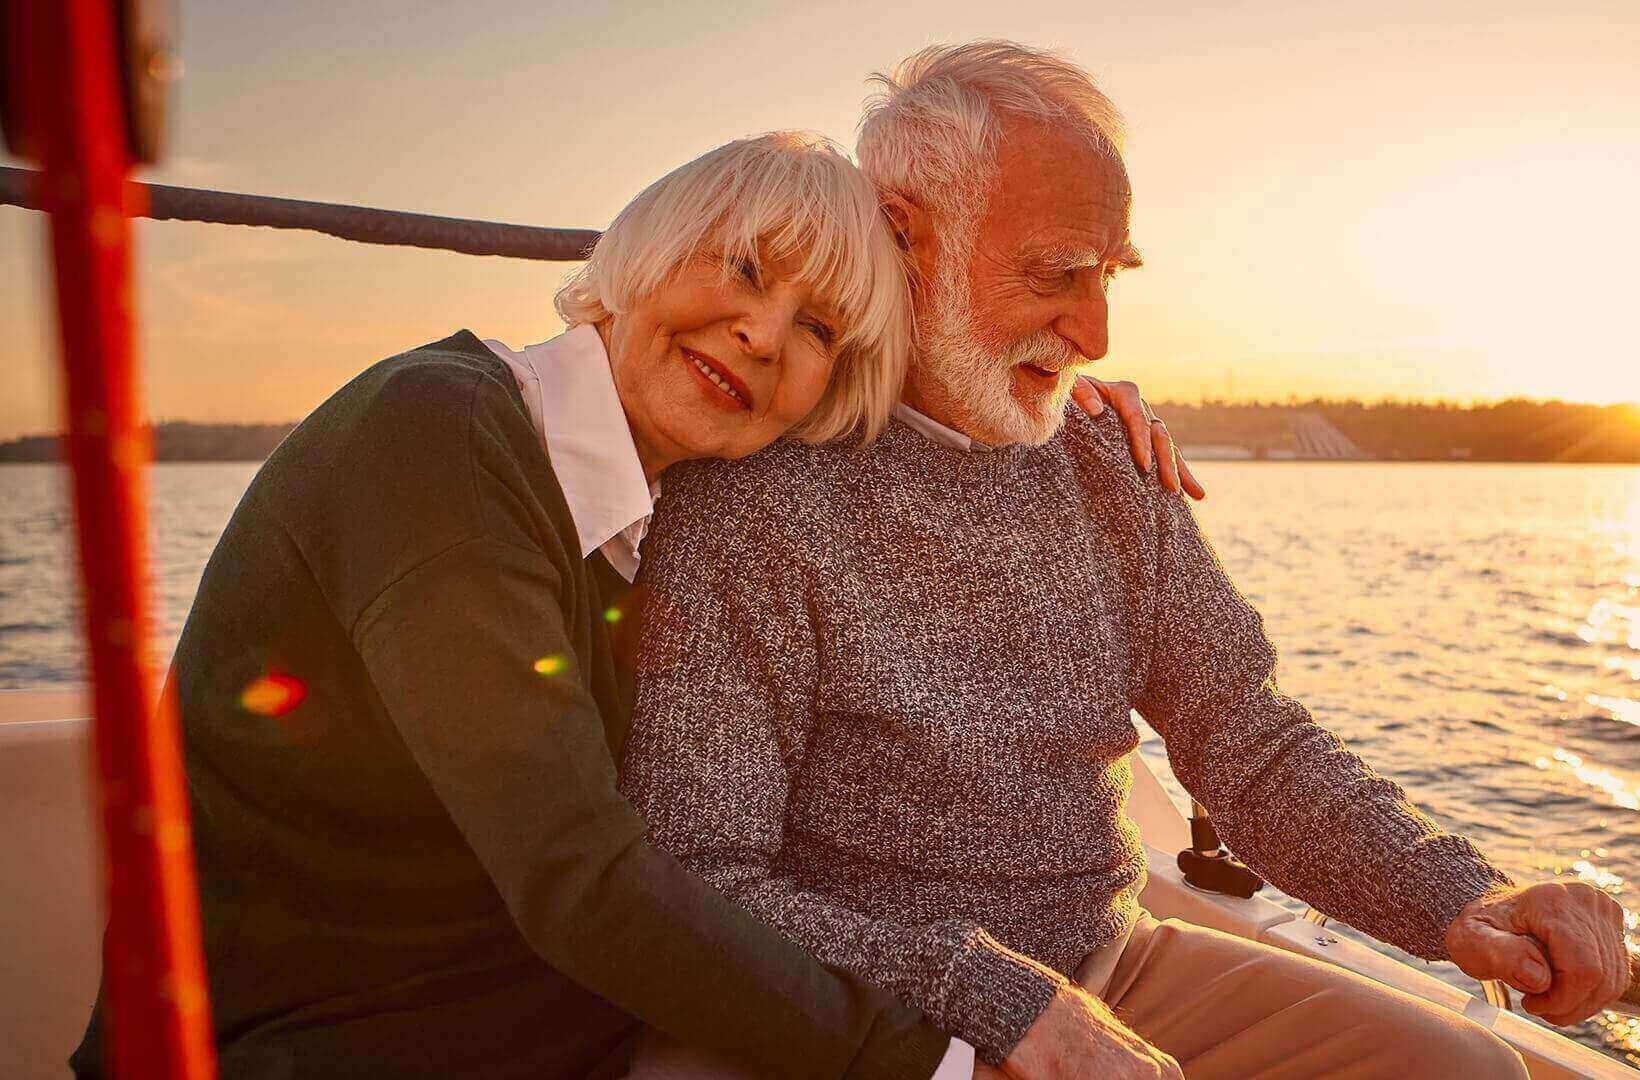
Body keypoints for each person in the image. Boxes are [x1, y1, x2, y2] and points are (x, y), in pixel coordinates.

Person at [70, 131, 1186, 1080]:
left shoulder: (663, 506)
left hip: (550, 1039)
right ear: (645, 250)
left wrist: (1049, 388)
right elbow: (580, 878)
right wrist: (940, 1066)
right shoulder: (434, 441)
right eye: (745, 269)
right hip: (288, 1049)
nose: (762, 333)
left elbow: (914, 415)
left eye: (818, 331)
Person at [618, 44, 1634, 1080]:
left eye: (1108, 277)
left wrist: (1463, 900)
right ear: (902, 238)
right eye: (1057, 274)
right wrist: (1005, 1007)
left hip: (1114, 966)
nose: (1096, 333)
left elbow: (1248, 737)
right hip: (859, 1014)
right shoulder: (750, 495)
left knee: (1469, 1073)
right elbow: (700, 878)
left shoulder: (1106, 461)